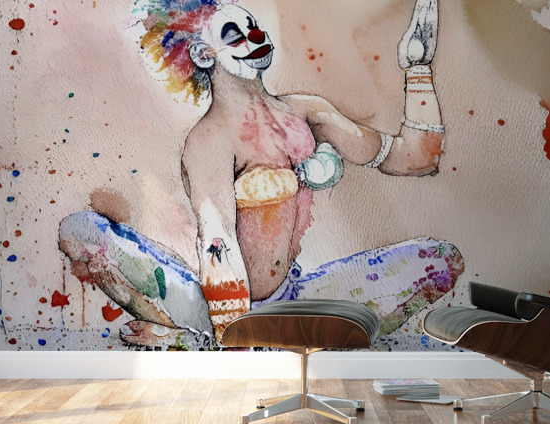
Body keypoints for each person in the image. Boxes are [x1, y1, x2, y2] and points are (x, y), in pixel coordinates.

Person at [59, 0, 462, 348]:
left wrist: (418, 67)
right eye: (235, 34)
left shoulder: (306, 112)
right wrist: (236, 341)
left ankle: (202, 342)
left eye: (253, 26)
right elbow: (218, 244)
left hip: (294, 297)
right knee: (82, 231)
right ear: (204, 54)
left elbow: (414, 159)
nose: (255, 36)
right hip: (215, 309)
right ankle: (209, 340)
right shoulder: (209, 140)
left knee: (440, 260)